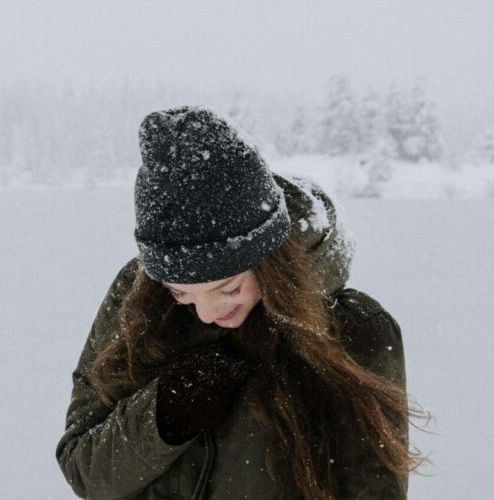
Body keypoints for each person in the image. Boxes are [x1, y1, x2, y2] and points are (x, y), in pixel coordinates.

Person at [57, 106, 420, 499]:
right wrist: (163, 417)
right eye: (180, 292)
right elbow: (85, 472)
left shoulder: (355, 328)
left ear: (270, 262)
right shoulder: (138, 295)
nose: (207, 312)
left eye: (228, 288)